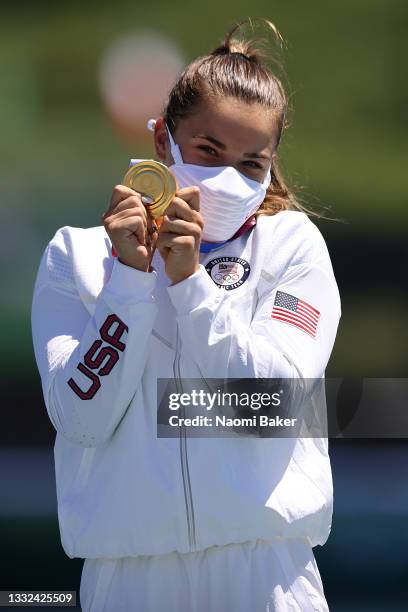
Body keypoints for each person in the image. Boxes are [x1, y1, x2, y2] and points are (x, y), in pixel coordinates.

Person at [31, 18, 341, 612]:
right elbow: (81, 420)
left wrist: (189, 283)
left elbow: (271, 404)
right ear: (162, 143)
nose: (228, 177)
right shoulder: (76, 255)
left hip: (265, 568)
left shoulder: (291, 246)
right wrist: (130, 280)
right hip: (128, 577)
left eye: (252, 163)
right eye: (208, 150)